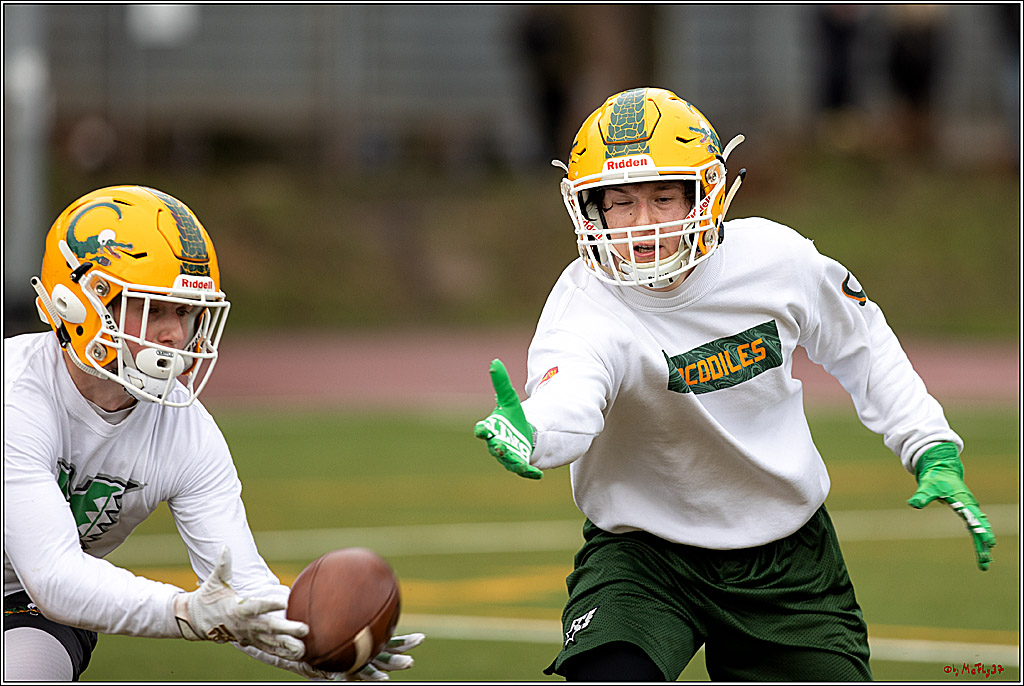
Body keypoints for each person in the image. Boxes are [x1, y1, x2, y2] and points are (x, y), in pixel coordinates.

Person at [473, 87, 995, 681]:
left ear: (708, 192)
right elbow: (571, 402)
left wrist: (928, 444)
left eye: (664, 196)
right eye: (620, 203)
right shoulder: (584, 305)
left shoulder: (777, 259)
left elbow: (863, 344)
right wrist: (531, 432)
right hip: (643, 554)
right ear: (588, 209)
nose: (642, 225)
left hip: (785, 554)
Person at [4, 185, 424, 681]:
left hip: (21, 606)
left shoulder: (186, 429)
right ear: (82, 304)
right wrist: (184, 612)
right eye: (154, 309)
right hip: (41, 586)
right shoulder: (16, 395)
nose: (175, 336)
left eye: (183, 312)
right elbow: (55, 576)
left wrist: (314, 643)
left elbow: (239, 587)